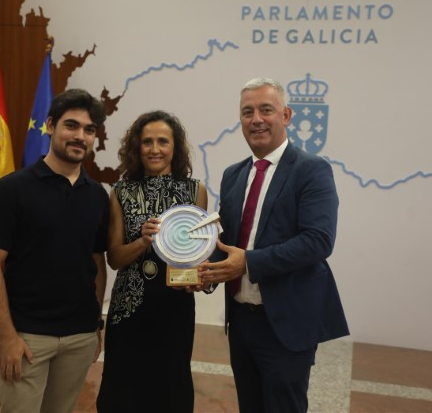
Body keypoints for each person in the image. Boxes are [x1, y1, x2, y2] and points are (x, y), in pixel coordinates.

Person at [199, 78, 349, 413]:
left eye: (266, 110)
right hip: (241, 322)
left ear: (287, 115)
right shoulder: (233, 175)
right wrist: (200, 267)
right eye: (247, 112)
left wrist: (248, 263)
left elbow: (318, 241)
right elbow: (225, 240)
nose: (256, 119)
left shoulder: (312, 170)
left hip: (285, 324)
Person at [0, 88, 109, 413]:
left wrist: (95, 324)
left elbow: (97, 261)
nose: (80, 136)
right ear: (50, 125)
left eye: (89, 130)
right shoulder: (12, 189)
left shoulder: (97, 196)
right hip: (27, 337)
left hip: (80, 336)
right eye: (72, 126)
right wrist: (7, 336)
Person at [96, 110, 208, 413]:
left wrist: (200, 278)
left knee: (171, 390)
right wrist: (143, 241)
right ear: (136, 147)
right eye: (147, 142)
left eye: (162, 141)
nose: (155, 149)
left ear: (175, 147)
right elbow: (115, 258)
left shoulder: (195, 190)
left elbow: (198, 255)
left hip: (175, 307)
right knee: (123, 391)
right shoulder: (121, 191)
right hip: (129, 310)